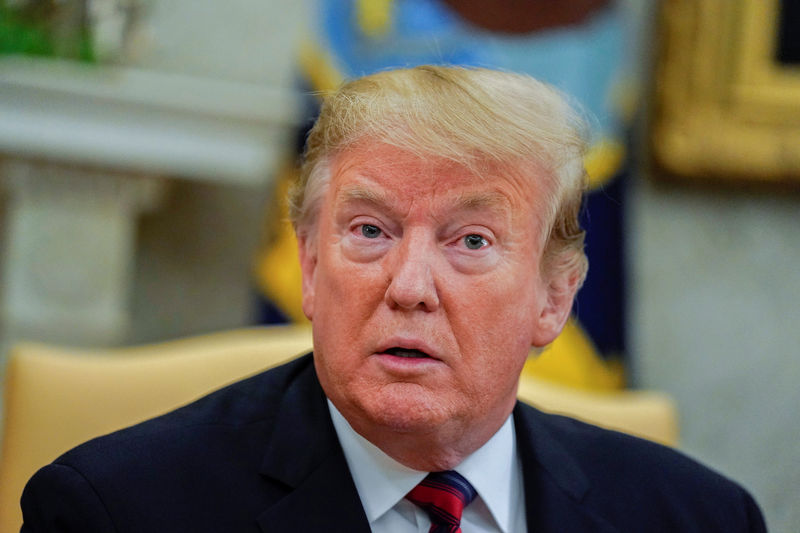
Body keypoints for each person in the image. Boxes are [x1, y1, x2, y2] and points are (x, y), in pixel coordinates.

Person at [21, 66, 766, 532]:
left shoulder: (698, 517)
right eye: (370, 230)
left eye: (471, 241)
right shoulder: (116, 511)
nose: (408, 288)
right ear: (310, 268)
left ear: (555, 297)